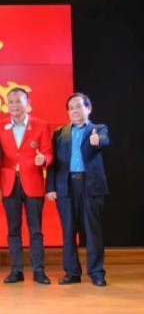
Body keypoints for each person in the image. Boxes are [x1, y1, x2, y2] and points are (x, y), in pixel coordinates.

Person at [46, 93, 110, 286]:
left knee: (93, 231)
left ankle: (96, 273)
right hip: (66, 186)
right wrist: (51, 187)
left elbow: (104, 140)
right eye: (71, 108)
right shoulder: (60, 133)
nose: (74, 110)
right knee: (68, 231)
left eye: (79, 106)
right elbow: (53, 163)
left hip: (90, 185)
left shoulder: (98, 129)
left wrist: (97, 140)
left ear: (88, 109)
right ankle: (72, 272)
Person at [0, 88, 53, 285]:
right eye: (10, 102)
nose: (14, 105)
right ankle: (16, 270)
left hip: (33, 182)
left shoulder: (41, 125)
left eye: (18, 101)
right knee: (13, 230)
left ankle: (38, 271)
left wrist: (44, 159)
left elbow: (48, 152)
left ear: (27, 103)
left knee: (35, 229)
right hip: (9, 183)